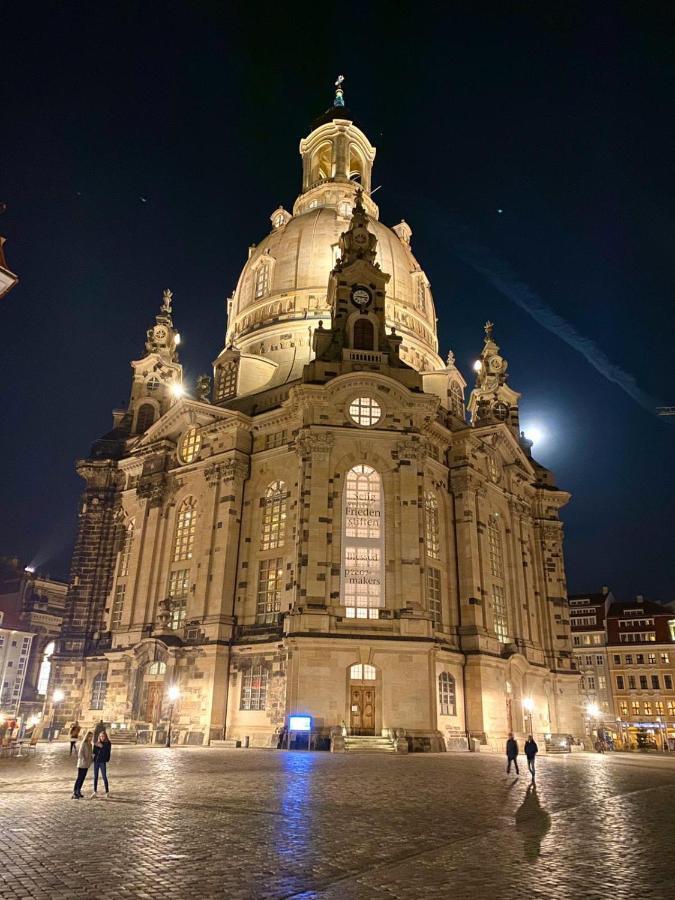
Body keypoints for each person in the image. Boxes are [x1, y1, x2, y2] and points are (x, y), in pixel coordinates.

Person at [72, 731, 93, 799]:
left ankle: (79, 791)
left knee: (83, 778)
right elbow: (80, 753)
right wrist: (84, 759)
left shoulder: (90, 744)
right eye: (90, 736)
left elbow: (90, 753)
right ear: (87, 736)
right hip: (82, 763)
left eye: (92, 736)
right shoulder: (83, 743)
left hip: (87, 764)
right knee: (79, 778)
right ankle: (75, 791)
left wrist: (92, 759)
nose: (91, 738)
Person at [91, 730, 111, 798]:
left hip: (102, 762)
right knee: (95, 776)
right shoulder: (97, 743)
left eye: (103, 736)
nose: (102, 737)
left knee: (104, 776)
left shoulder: (108, 743)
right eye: (101, 736)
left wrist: (102, 746)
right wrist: (92, 758)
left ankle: (107, 791)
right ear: (99, 737)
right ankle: (95, 791)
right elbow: (94, 752)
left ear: (105, 737)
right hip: (96, 762)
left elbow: (108, 751)